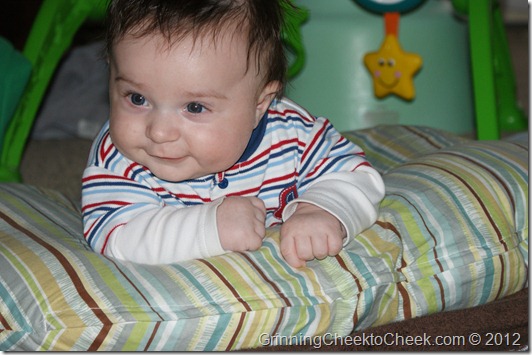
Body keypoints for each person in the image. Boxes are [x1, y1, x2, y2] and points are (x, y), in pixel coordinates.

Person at [82, 0, 385, 268]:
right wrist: (210, 226)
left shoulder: (293, 132)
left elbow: (356, 175)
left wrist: (322, 209)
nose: (159, 132)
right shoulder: (118, 157)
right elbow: (116, 235)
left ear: (259, 105)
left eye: (195, 107)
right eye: (137, 98)